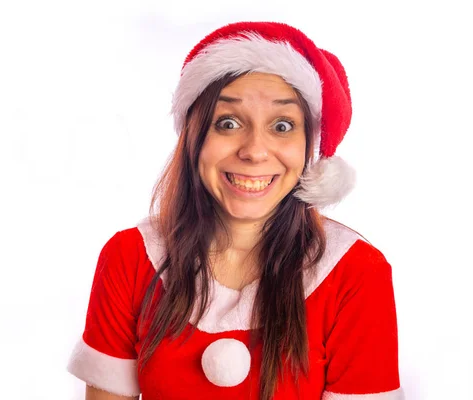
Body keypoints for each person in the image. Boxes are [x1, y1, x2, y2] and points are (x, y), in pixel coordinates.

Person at [67, 21, 403, 400]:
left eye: (282, 125)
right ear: (195, 138)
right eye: (228, 123)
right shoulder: (131, 257)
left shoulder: (355, 273)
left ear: (309, 146)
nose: (254, 151)